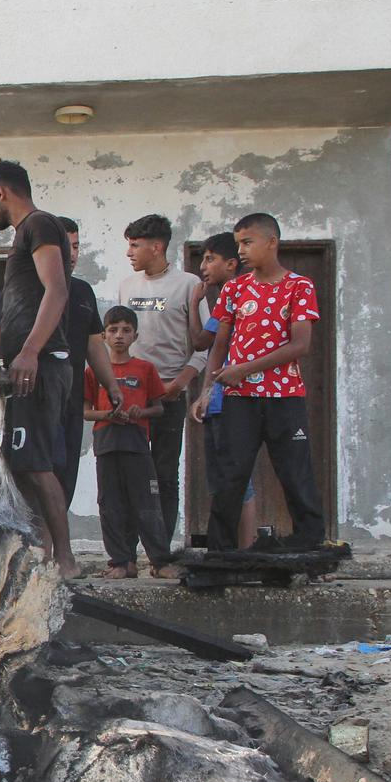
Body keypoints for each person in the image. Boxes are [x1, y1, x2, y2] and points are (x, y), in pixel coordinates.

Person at [0, 159, 117, 578]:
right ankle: (38, 556)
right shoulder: (26, 236)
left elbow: (57, 291)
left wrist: (31, 351)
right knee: (24, 466)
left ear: (1, 192)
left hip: (42, 366)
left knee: (37, 466)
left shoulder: (40, 224)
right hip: (27, 368)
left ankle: (66, 561)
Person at [190, 213, 325, 550]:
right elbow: (219, 345)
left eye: (248, 242)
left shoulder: (299, 286)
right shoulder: (235, 288)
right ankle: (221, 552)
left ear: (272, 242)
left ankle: (309, 547)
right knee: (230, 476)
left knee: (295, 474)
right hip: (238, 397)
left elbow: (301, 344)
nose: (243, 251)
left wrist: (246, 368)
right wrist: (208, 390)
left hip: (284, 396)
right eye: (239, 244)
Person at [0, 217, 117, 508]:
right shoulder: (16, 292)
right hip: (31, 395)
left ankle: (54, 551)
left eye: (77, 247)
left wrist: (111, 385)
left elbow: (94, 345)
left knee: (63, 473)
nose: (73, 254)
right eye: (67, 247)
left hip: (69, 399)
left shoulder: (82, 292)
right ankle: (45, 550)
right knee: (33, 473)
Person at [118, 214, 209, 550]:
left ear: (156, 247)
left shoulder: (189, 285)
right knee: (128, 475)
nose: (129, 253)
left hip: (170, 395)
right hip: (130, 396)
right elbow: (119, 339)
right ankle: (125, 553)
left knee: (165, 475)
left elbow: (204, 346)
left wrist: (179, 383)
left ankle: (161, 550)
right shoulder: (128, 286)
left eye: (135, 245)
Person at [85, 307, 181, 578]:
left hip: (137, 443)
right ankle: (120, 562)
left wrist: (141, 412)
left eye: (126, 330)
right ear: (103, 335)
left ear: (135, 336)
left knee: (147, 502)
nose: (119, 336)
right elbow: (84, 411)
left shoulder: (145, 369)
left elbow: (159, 408)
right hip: (106, 443)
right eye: (113, 330)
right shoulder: (94, 372)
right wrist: (106, 414)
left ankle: (160, 562)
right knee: (110, 503)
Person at [194, 232, 259, 549]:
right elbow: (205, 344)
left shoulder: (244, 297)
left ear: (231, 264)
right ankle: (231, 549)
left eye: (210, 259)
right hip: (218, 399)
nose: (203, 266)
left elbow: (204, 344)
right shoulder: (222, 300)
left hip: (239, 398)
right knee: (222, 480)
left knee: (239, 479)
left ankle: (245, 549)